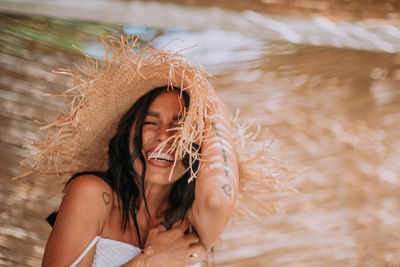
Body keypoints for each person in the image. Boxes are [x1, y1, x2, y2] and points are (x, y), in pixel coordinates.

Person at [24, 36, 239, 267]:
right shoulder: (93, 195)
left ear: (198, 146)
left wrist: (211, 105)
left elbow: (217, 200)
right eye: (149, 122)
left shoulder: (188, 220)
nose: (164, 135)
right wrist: (149, 261)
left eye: (179, 126)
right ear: (127, 133)